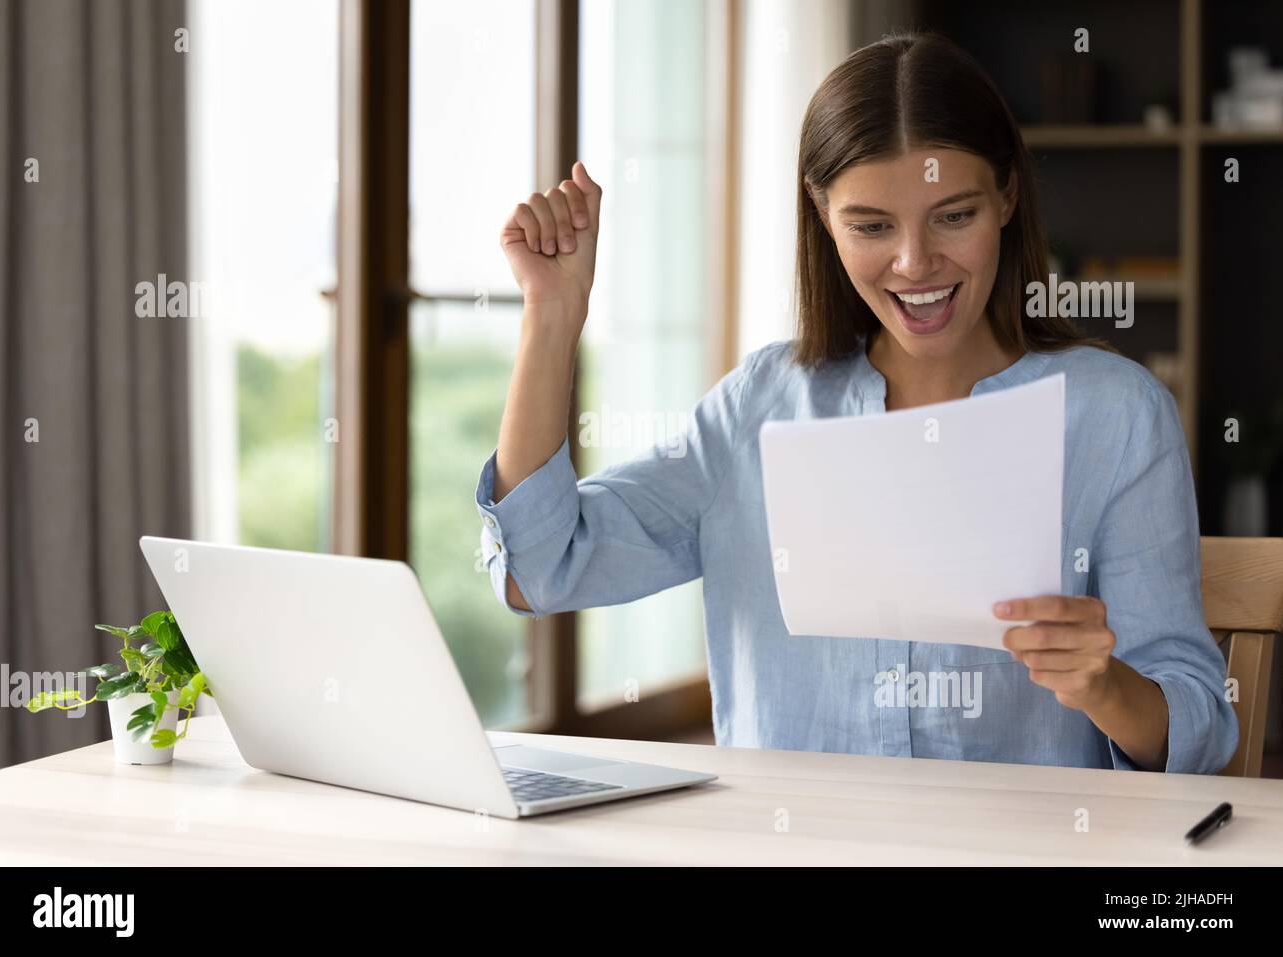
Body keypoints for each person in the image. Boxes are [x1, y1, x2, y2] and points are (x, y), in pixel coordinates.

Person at [474, 32, 1237, 773]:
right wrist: (552, 314)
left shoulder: (1115, 415)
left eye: (954, 216)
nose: (915, 263)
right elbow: (539, 567)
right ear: (821, 214)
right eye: (871, 226)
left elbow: (1199, 727)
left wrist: (1105, 686)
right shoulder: (758, 409)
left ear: (1007, 195)